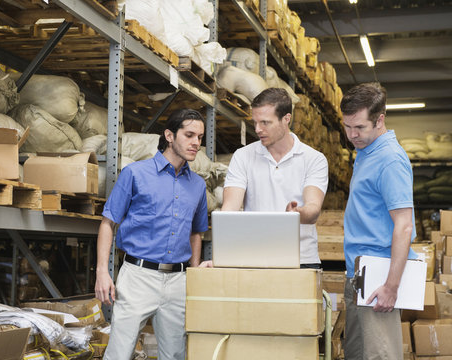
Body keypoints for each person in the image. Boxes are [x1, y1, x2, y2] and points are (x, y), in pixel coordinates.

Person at [94, 109, 209, 360]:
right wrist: (102, 272)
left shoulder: (198, 186)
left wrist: (195, 270)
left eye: (200, 137)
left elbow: (196, 233)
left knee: (175, 354)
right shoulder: (135, 173)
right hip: (138, 276)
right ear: (169, 135)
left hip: (178, 280)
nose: (196, 143)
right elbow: (107, 223)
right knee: (119, 353)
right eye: (189, 135)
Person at [340, 82, 417, 359]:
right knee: (357, 354)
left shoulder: (389, 160)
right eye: (347, 126)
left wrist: (391, 287)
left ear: (380, 119)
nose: (351, 135)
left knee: (380, 355)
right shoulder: (365, 152)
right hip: (359, 272)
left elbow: (404, 225)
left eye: (359, 127)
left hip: (378, 277)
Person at [221, 87, 328, 268]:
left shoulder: (314, 159)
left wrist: (296, 213)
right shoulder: (243, 156)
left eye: (265, 123)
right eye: (255, 122)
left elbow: (313, 210)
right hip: (253, 258)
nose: (258, 129)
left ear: (286, 119)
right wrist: (222, 256)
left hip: (301, 259)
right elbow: (230, 207)